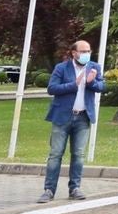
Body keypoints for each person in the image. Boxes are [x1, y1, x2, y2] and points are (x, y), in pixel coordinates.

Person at [38, 39, 105, 203]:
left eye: (88, 51)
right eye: (83, 51)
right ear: (74, 53)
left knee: (78, 155)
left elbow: (102, 86)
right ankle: (49, 190)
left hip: (83, 117)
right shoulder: (62, 68)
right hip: (62, 117)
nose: (86, 54)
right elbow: (52, 88)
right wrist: (73, 85)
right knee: (55, 154)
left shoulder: (94, 67)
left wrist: (92, 82)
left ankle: (74, 188)